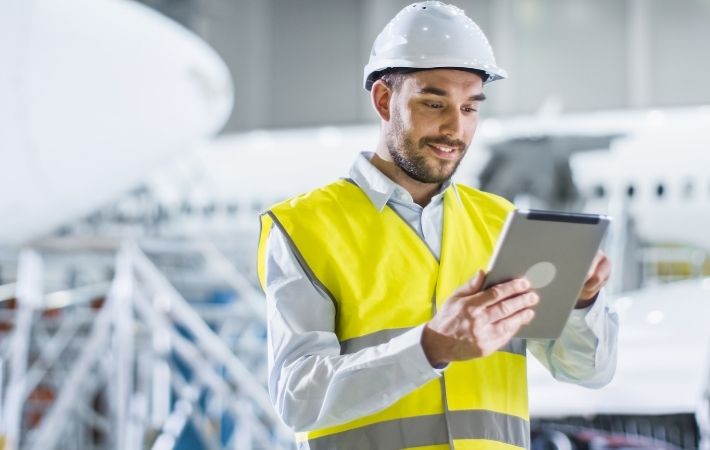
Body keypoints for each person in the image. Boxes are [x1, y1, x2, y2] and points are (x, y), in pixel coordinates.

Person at [256, 2, 618, 449]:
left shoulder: (502, 223)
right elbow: (298, 398)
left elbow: (588, 370)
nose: (455, 128)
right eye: (434, 103)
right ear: (385, 100)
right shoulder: (304, 228)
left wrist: (583, 302)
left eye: (470, 108)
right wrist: (430, 347)